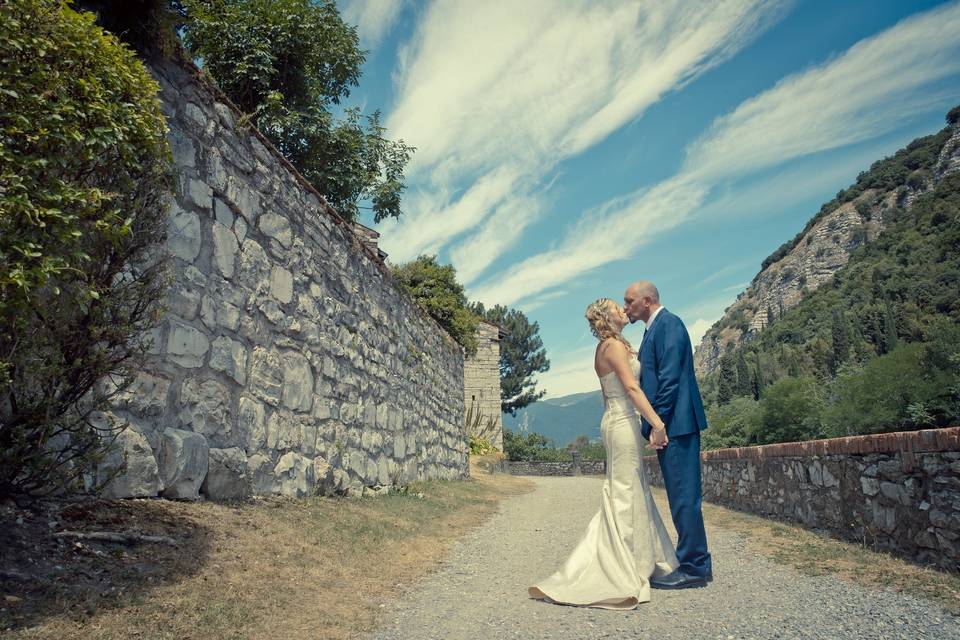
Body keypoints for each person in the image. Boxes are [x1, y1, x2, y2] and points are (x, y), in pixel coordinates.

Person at [529, 298, 678, 609]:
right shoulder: (612, 347)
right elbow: (632, 389)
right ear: (607, 317)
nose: (622, 309)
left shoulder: (609, 346)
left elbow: (606, 394)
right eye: (616, 306)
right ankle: (620, 567)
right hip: (622, 422)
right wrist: (658, 424)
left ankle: (643, 560)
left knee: (631, 488)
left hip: (618, 420)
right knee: (624, 491)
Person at [624, 280, 712, 589]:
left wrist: (655, 425)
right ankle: (694, 562)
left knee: (685, 498)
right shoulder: (652, 331)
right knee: (679, 497)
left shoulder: (669, 324)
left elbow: (669, 381)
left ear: (647, 301)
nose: (626, 307)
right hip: (670, 425)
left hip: (677, 425)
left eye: (630, 301)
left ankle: (695, 568)